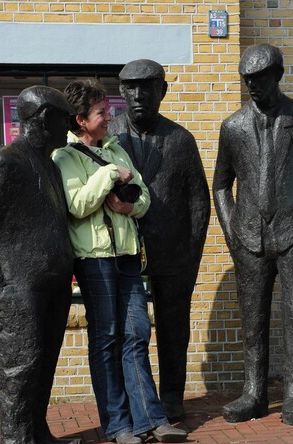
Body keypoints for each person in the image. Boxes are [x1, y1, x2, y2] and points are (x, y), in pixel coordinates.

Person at [52, 79, 187, 444]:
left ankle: (152, 418)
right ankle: (118, 424)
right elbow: (77, 205)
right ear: (81, 119)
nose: (110, 115)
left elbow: (143, 196)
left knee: (137, 333)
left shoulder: (116, 147)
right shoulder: (64, 157)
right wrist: (109, 174)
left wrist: (130, 206)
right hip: (94, 260)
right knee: (107, 338)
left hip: (127, 254)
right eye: (101, 111)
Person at [0, 85, 82, 444]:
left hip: (52, 286)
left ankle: (37, 430)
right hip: (18, 291)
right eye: (64, 120)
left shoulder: (48, 164)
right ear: (46, 119)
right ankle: (15, 442)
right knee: (21, 366)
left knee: (45, 361)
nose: (68, 129)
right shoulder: (8, 162)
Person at [213, 44, 293, 425]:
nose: (252, 86)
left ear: (277, 75)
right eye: (246, 80)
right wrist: (232, 232)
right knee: (253, 322)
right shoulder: (233, 126)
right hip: (249, 238)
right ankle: (253, 393)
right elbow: (221, 186)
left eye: (259, 79)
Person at [109, 59, 210, 421]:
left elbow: (199, 201)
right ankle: (135, 401)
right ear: (121, 92)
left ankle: (171, 396)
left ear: (162, 91)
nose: (139, 95)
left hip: (172, 250)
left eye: (148, 87)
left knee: (173, 327)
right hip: (123, 248)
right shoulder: (111, 135)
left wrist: (192, 255)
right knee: (128, 329)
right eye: (131, 88)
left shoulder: (180, 140)